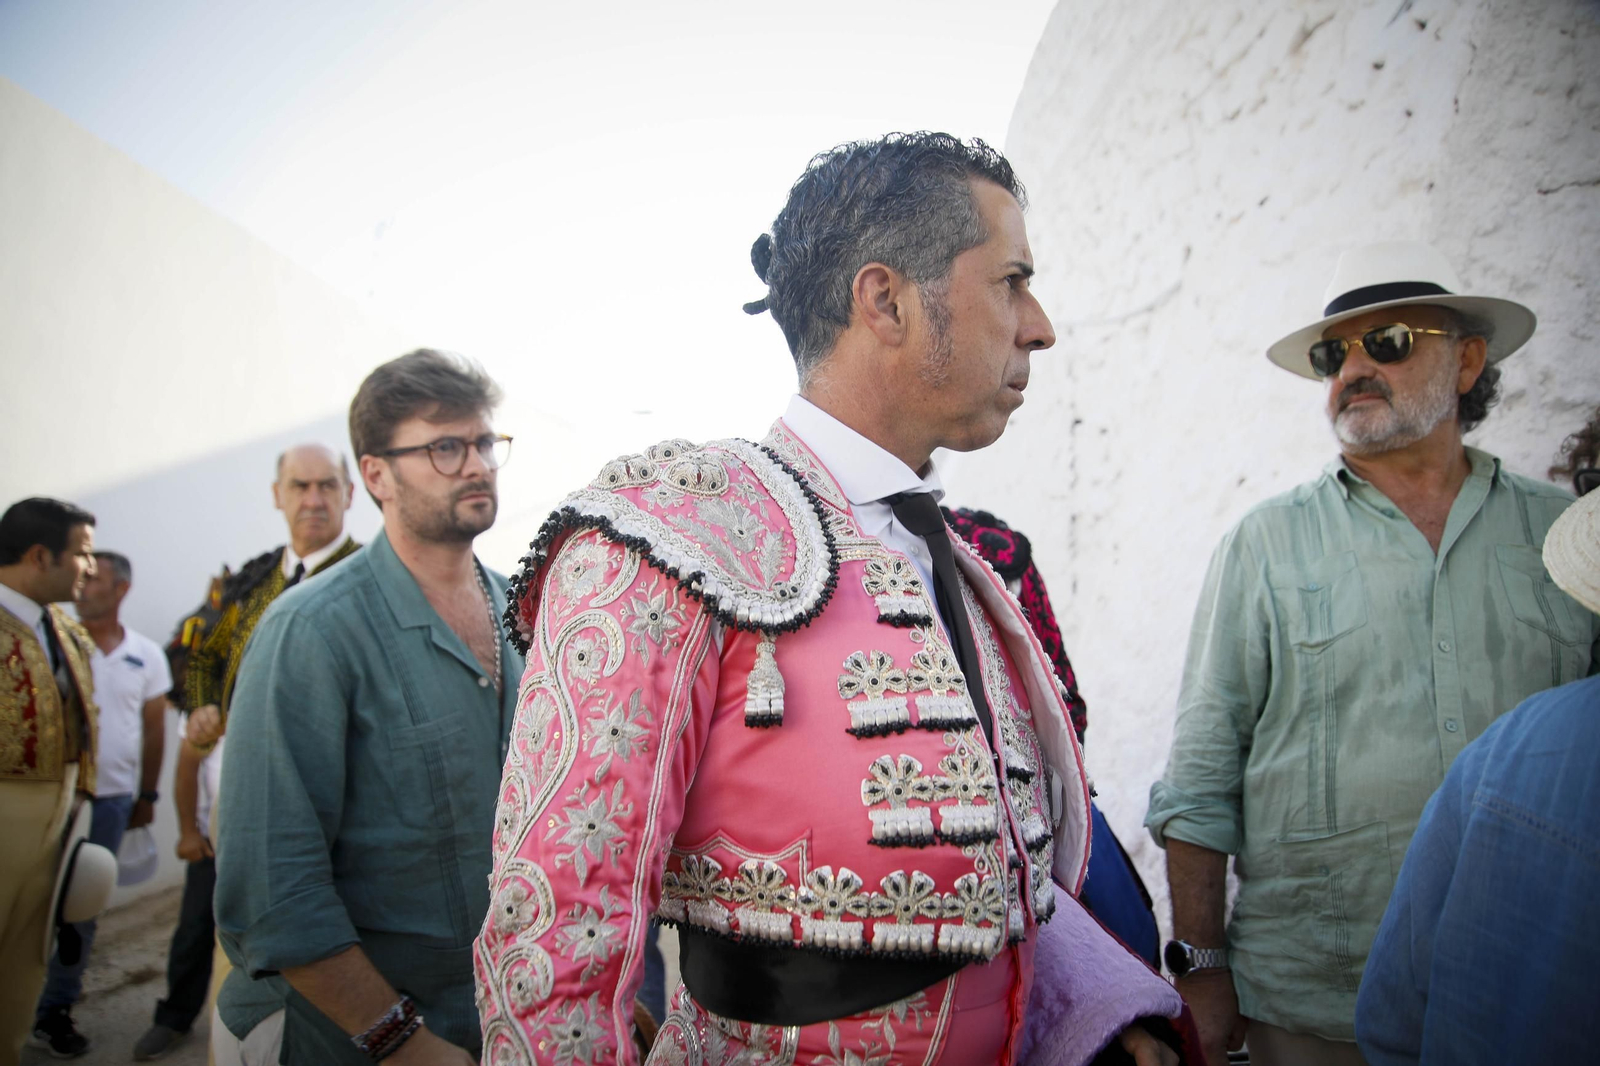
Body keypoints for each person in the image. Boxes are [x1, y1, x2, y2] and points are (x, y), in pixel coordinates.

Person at [476, 133, 1189, 1066]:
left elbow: (994, 884)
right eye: (1010, 281)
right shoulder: (676, 532)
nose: (1039, 325)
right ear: (885, 300)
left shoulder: (960, 557)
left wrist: (1104, 1012)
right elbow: (557, 942)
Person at [1145, 241, 1600, 1065]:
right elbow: (1202, 777)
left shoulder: (1566, 538)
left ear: (1466, 362)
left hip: (1535, 991)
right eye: (1333, 354)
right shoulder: (1265, 543)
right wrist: (1203, 969)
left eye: (1386, 341)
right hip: (1318, 1004)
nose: (1352, 367)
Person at [213, 350, 522, 1064]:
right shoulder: (310, 632)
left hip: (490, 1026)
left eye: (483, 443)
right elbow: (273, 890)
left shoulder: (524, 612)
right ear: (376, 474)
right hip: (336, 1039)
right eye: (444, 447)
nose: (475, 464)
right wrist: (402, 1042)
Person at [1354, 484, 1600, 1064]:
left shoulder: (1505, 754)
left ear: (1466, 383)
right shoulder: (1259, 539)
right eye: (1328, 380)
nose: (1341, 385)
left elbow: (1391, 1025)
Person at [134, 442, 360, 1062]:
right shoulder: (252, 578)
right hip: (231, 785)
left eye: (325, 486)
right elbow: (201, 653)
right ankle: (181, 1015)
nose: (313, 499)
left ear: (350, 492)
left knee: (310, 920)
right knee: (201, 914)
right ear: (277, 495)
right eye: (300, 486)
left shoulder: (371, 577)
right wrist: (204, 703)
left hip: (322, 792)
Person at [30, 551, 170, 1057]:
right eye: (82, 577)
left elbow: (154, 730)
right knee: (26, 904)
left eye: (96, 579)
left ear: (122, 590)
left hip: (110, 803)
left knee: (81, 910)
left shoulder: (145, 655)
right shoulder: (54, 645)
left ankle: (54, 1012)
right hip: (53, 799)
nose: (83, 585)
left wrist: (148, 794)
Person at [0, 498, 98, 1066]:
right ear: (40, 555)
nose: (90, 566)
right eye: (82, 554)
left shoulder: (61, 626)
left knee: (23, 963)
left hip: (54, 821)